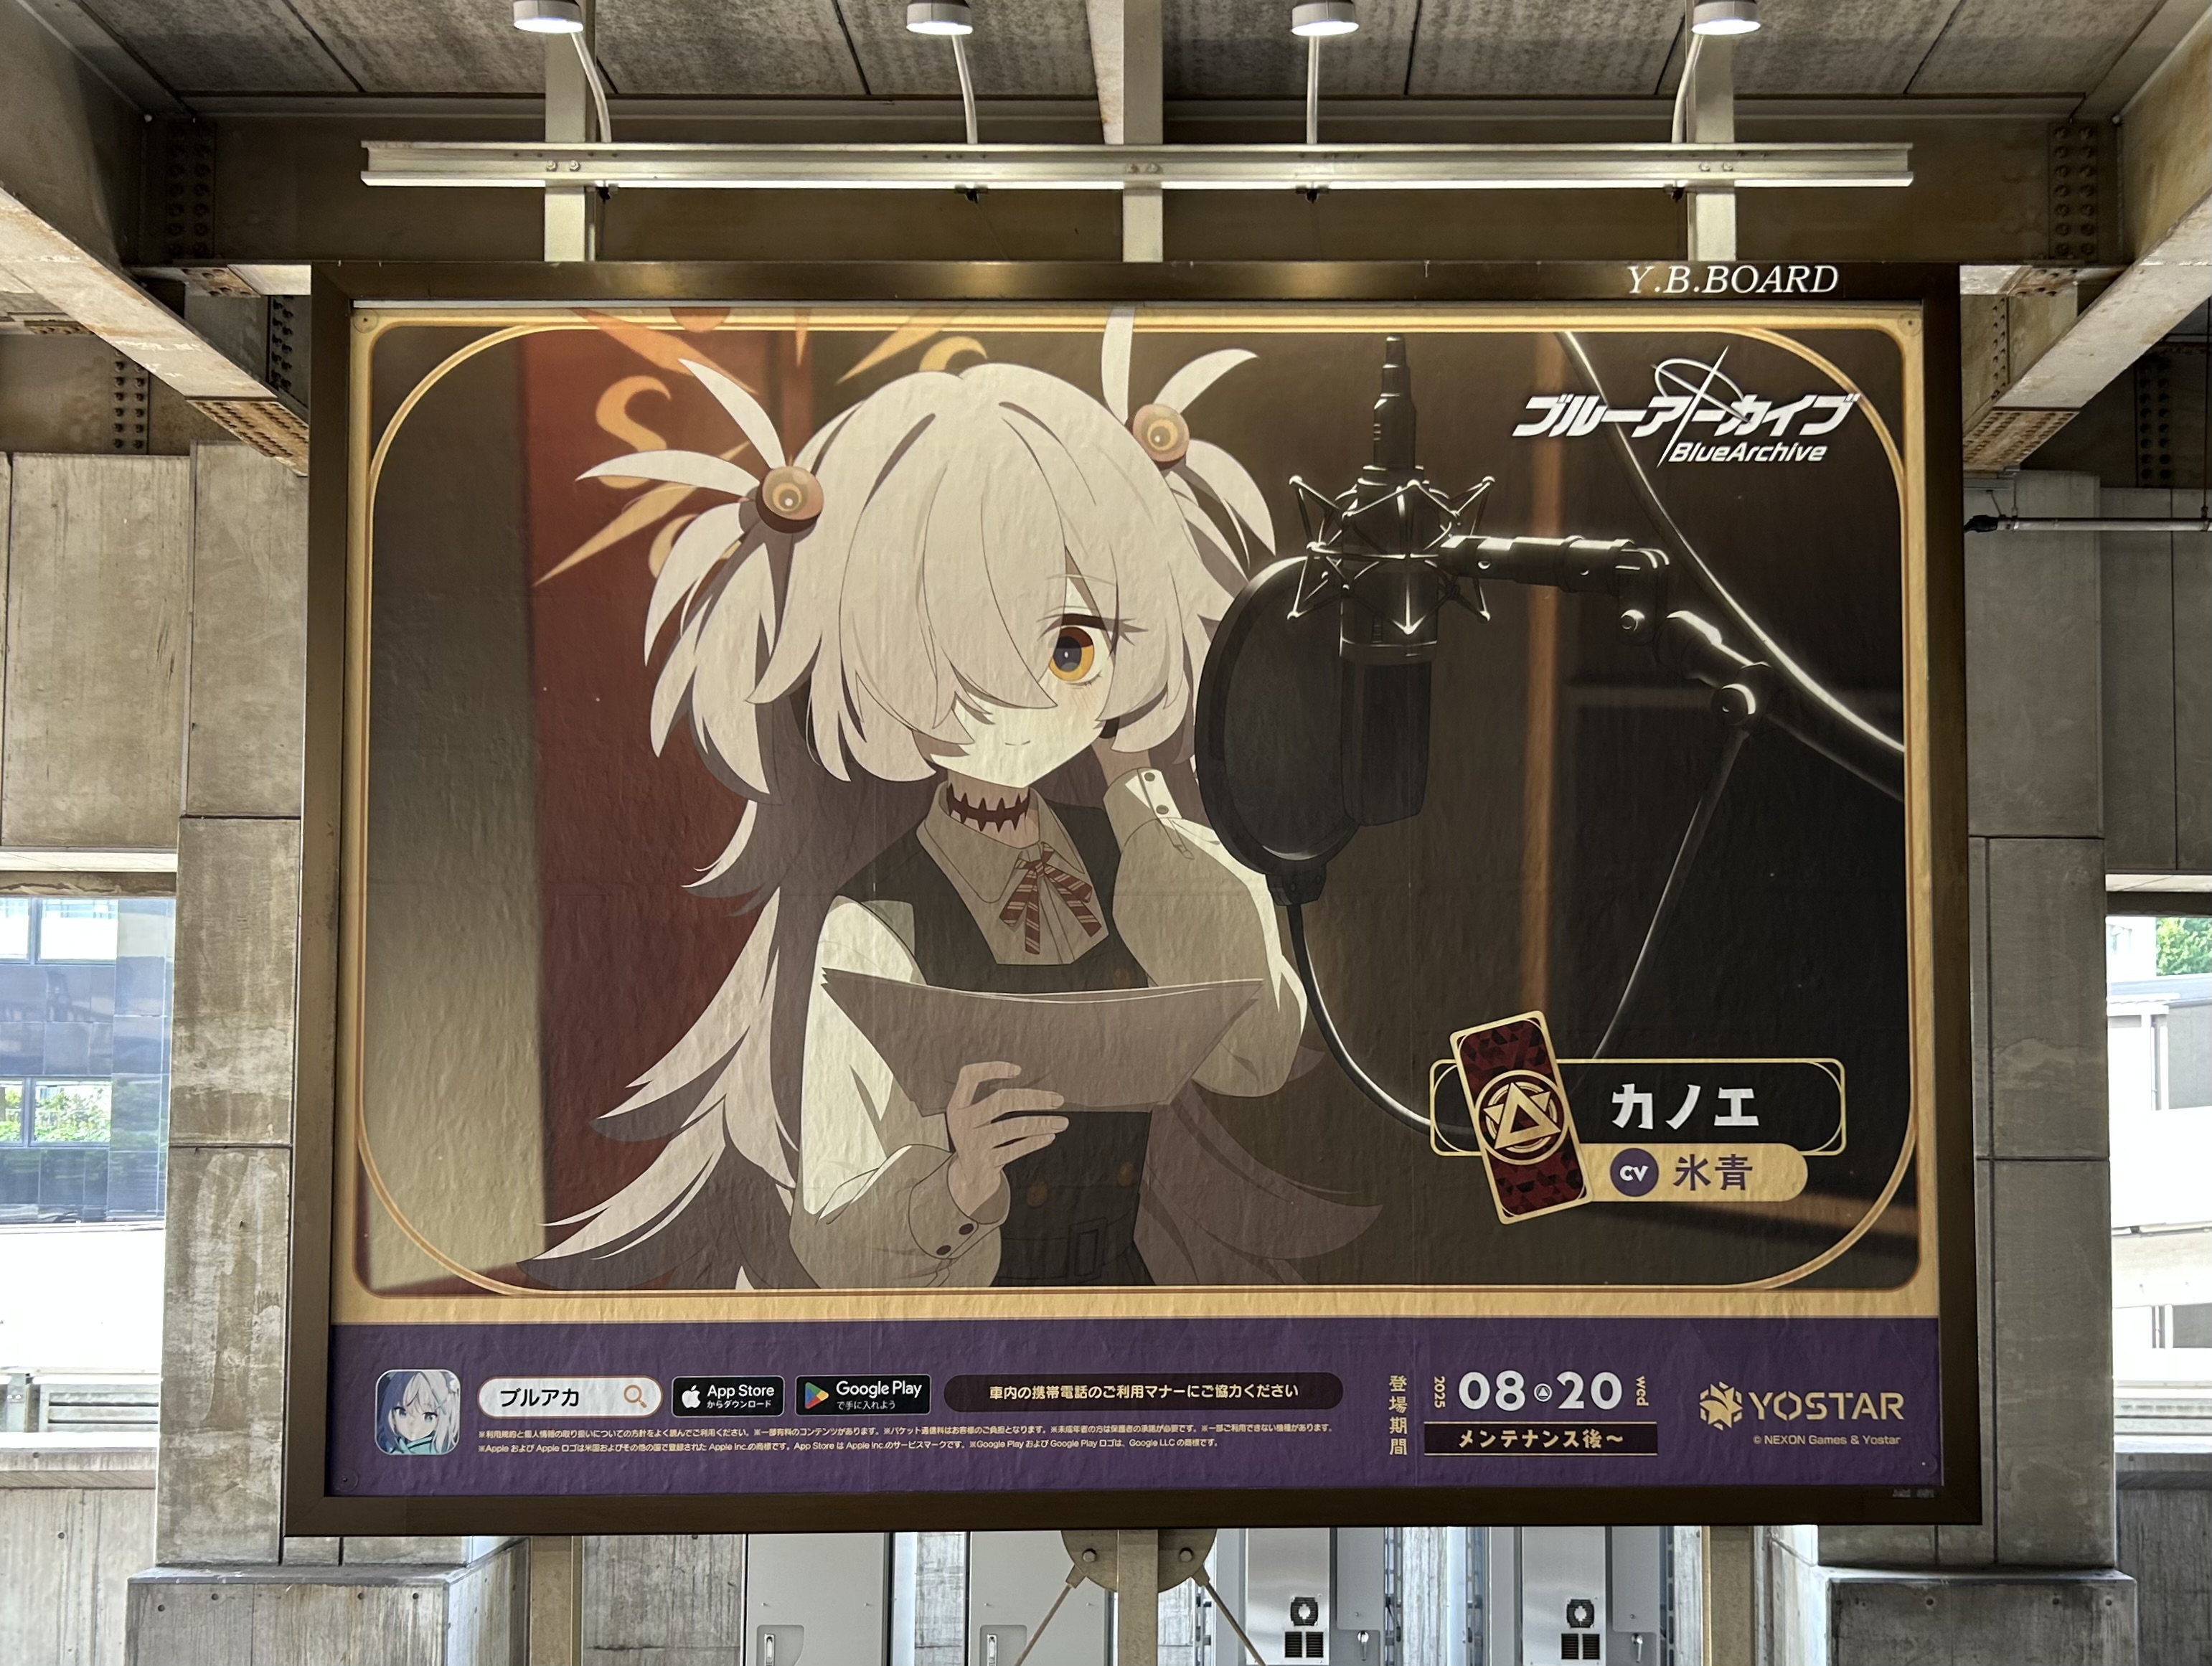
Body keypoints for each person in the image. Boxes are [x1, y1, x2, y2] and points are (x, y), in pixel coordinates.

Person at [529, 313, 1372, 1291]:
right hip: (966, 1326)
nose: (1025, 696)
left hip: (1121, 1303)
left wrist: (1134, 785)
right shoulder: (873, 918)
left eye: (1069, 648)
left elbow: (1255, 1052)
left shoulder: (1138, 851)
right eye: (956, 659)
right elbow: (832, 1235)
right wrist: (958, 1183)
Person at [376, 1369, 459, 1456]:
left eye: (428, 1417)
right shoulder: (387, 1444)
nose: (413, 1424)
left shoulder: (439, 1450)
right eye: (402, 1413)